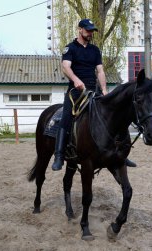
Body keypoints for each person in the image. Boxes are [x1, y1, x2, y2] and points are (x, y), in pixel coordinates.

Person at [51, 19, 136, 171]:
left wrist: (104, 90)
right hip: (75, 92)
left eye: (92, 31)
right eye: (88, 30)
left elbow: (100, 71)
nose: (90, 33)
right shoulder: (70, 48)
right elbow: (65, 67)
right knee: (66, 117)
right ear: (80, 29)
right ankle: (59, 155)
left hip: (93, 89)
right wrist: (76, 80)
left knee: (113, 115)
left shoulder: (95, 50)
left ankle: (121, 153)